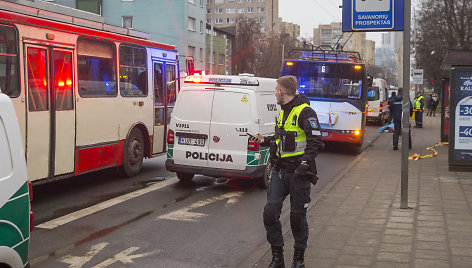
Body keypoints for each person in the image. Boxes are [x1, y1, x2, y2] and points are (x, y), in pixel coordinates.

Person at [252, 75, 323, 268]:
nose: (275, 93)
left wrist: (305, 166)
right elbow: (282, 140)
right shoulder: (283, 112)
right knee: (270, 212)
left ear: (282, 92)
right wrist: (265, 141)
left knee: (297, 218)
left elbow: (316, 142)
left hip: (299, 174)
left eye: (276, 90)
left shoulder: (305, 112)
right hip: (280, 171)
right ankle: (277, 259)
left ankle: (298, 260)